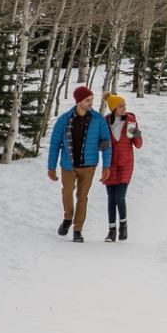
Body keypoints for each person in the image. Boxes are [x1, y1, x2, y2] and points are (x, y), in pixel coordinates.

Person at [47, 84, 111, 243]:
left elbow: (105, 144)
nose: (90, 103)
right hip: (68, 165)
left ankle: (77, 229)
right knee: (67, 192)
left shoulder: (98, 120)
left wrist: (106, 166)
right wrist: (51, 167)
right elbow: (55, 145)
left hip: (89, 166)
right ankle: (68, 217)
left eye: (91, 100)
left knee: (82, 197)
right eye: (87, 100)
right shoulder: (64, 120)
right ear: (78, 101)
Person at [99, 92, 143, 241]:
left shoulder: (130, 121)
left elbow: (138, 145)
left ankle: (123, 226)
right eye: (120, 106)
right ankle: (111, 231)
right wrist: (102, 145)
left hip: (125, 163)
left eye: (124, 105)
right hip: (110, 164)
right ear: (113, 108)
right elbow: (102, 143)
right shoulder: (105, 122)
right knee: (111, 198)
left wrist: (137, 134)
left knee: (119, 196)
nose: (124, 108)